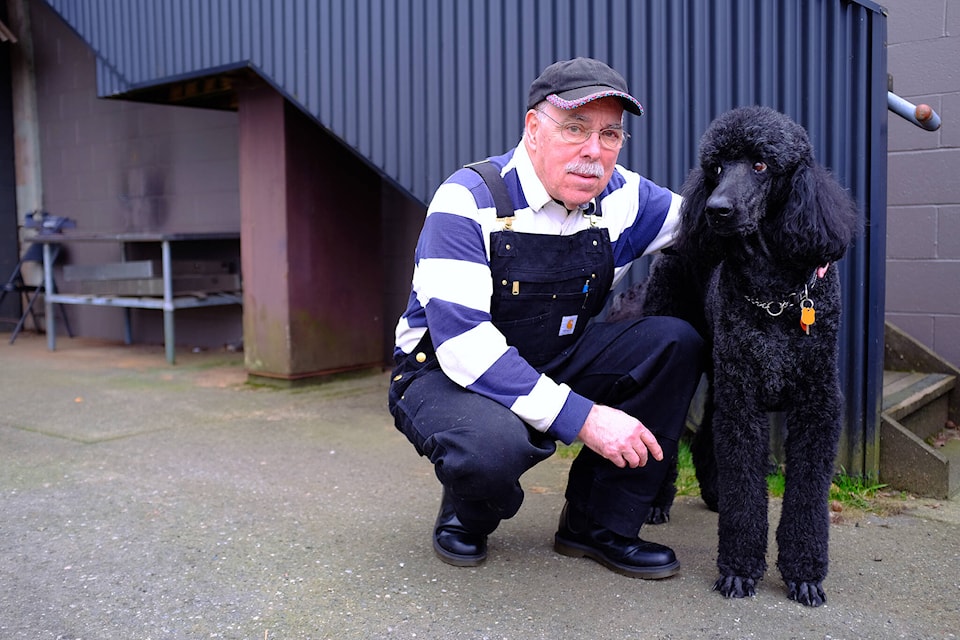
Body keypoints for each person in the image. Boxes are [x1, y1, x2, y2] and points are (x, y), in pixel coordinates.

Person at [387, 57, 704, 579]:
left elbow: (708, 224)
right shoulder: (467, 200)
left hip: (556, 354)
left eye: (610, 134)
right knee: (493, 448)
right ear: (533, 129)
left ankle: (597, 525)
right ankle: (469, 512)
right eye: (574, 129)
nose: (593, 152)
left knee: (674, 342)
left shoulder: (624, 197)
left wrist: (798, 247)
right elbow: (464, 344)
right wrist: (585, 417)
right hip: (442, 371)